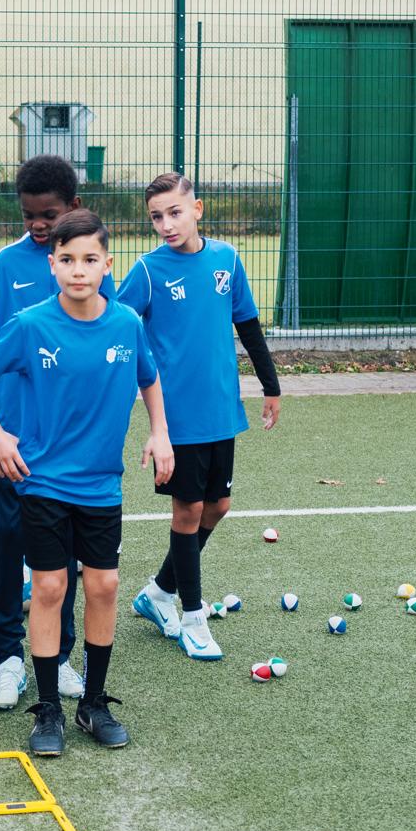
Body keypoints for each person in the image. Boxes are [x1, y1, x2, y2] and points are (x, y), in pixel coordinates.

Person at [0, 209, 175, 757]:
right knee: (51, 589)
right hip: (44, 483)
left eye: (89, 259)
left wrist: (160, 434)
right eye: (67, 259)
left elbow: (149, 378)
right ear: (52, 266)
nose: (79, 270)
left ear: (108, 265)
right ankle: (49, 708)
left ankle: (93, 703)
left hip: (102, 485)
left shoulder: (126, 323)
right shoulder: (32, 324)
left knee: (103, 587)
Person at [0, 154, 116, 713]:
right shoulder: (3, 265)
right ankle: (8, 657)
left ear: (73, 207)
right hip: (12, 442)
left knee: (66, 555)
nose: (36, 224)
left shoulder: (91, 267)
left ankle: (61, 655)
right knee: (7, 542)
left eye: (47, 215)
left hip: (68, 446)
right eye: (28, 214)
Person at [118, 172, 282, 662]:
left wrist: (271, 386)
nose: (166, 224)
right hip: (176, 419)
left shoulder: (226, 259)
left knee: (218, 507)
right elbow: (116, 326)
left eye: (174, 212)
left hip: (221, 411)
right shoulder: (148, 271)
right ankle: (192, 618)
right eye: (156, 217)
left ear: (197, 209)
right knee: (187, 512)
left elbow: (247, 324)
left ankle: (158, 592)